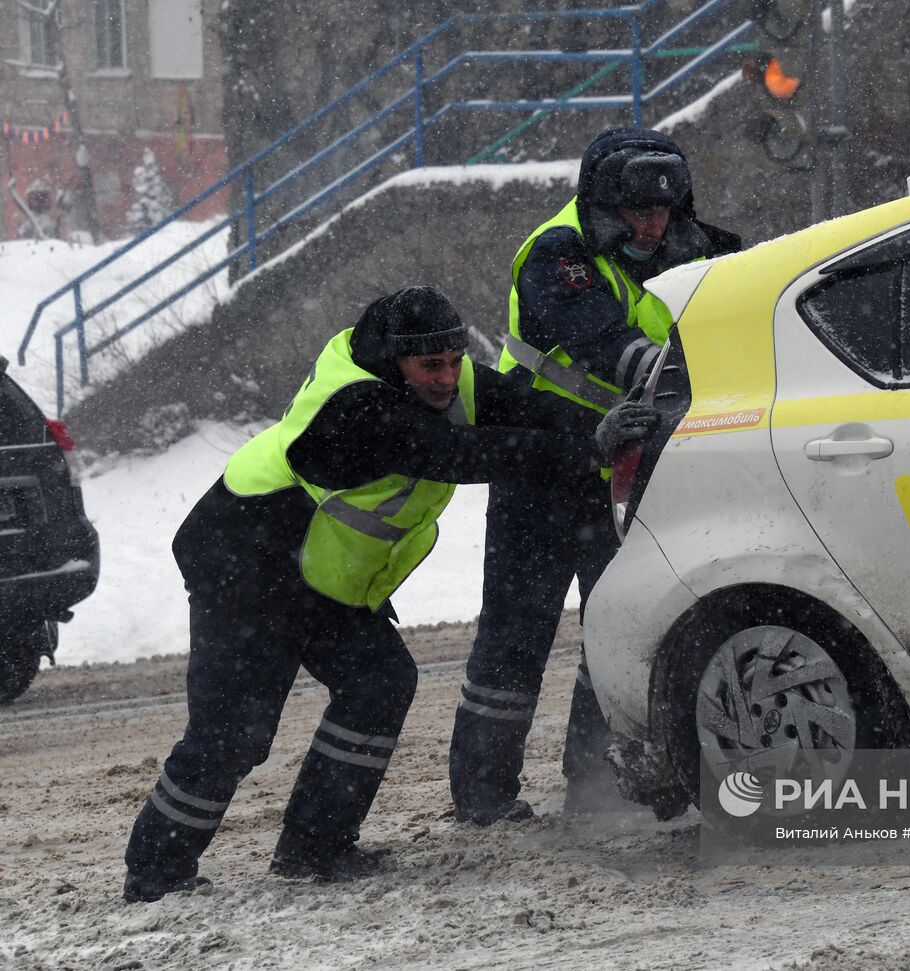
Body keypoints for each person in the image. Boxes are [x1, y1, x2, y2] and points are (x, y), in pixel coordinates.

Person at [122, 287, 657, 902]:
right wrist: (590, 450)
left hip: (314, 571)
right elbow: (461, 453)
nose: (448, 378)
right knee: (234, 733)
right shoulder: (360, 407)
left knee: (378, 681)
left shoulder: (437, 379)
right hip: (244, 564)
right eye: (431, 367)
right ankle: (156, 874)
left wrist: (607, 429)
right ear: (394, 360)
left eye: (455, 361)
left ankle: (314, 851)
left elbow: (524, 405)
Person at [448, 128, 741, 826]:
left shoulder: (692, 244)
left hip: (625, 467)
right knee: (516, 633)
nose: (653, 225)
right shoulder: (557, 255)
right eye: (638, 212)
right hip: (544, 464)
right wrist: (679, 370)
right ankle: (483, 797)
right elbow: (608, 341)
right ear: (603, 205)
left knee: (617, 627)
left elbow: (745, 276)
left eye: (664, 212)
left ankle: (595, 782)